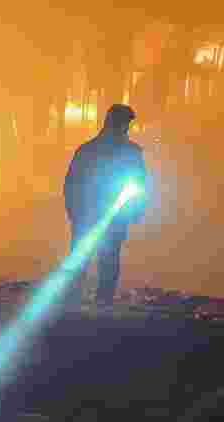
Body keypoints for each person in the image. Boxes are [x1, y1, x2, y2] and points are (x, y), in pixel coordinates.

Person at [63, 103, 149, 307]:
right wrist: (136, 210)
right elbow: (140, 183)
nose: (126, 128)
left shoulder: (87, 150)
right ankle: (100, 301)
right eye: (125, 124)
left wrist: (74, 211)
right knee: (106, 259)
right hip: (109, 215)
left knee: (87, 258)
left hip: (92, 214)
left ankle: (77, 300)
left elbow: (71, 184)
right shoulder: (130, 152)